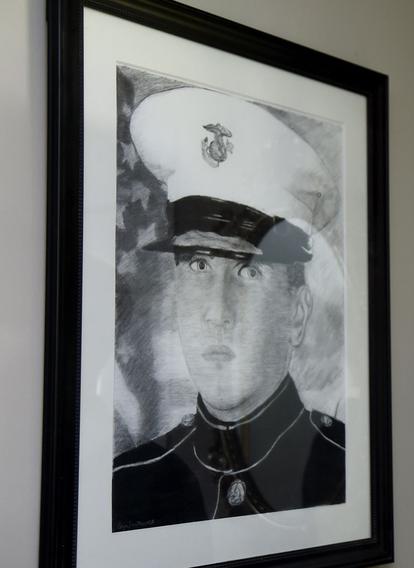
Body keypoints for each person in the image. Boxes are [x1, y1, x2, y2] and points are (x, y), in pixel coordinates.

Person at [112, 87, 345, 531]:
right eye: (198, 265)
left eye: (247, 273)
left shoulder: (345, 471)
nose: (216, 313)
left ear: (296, 313)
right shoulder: (126, 485)